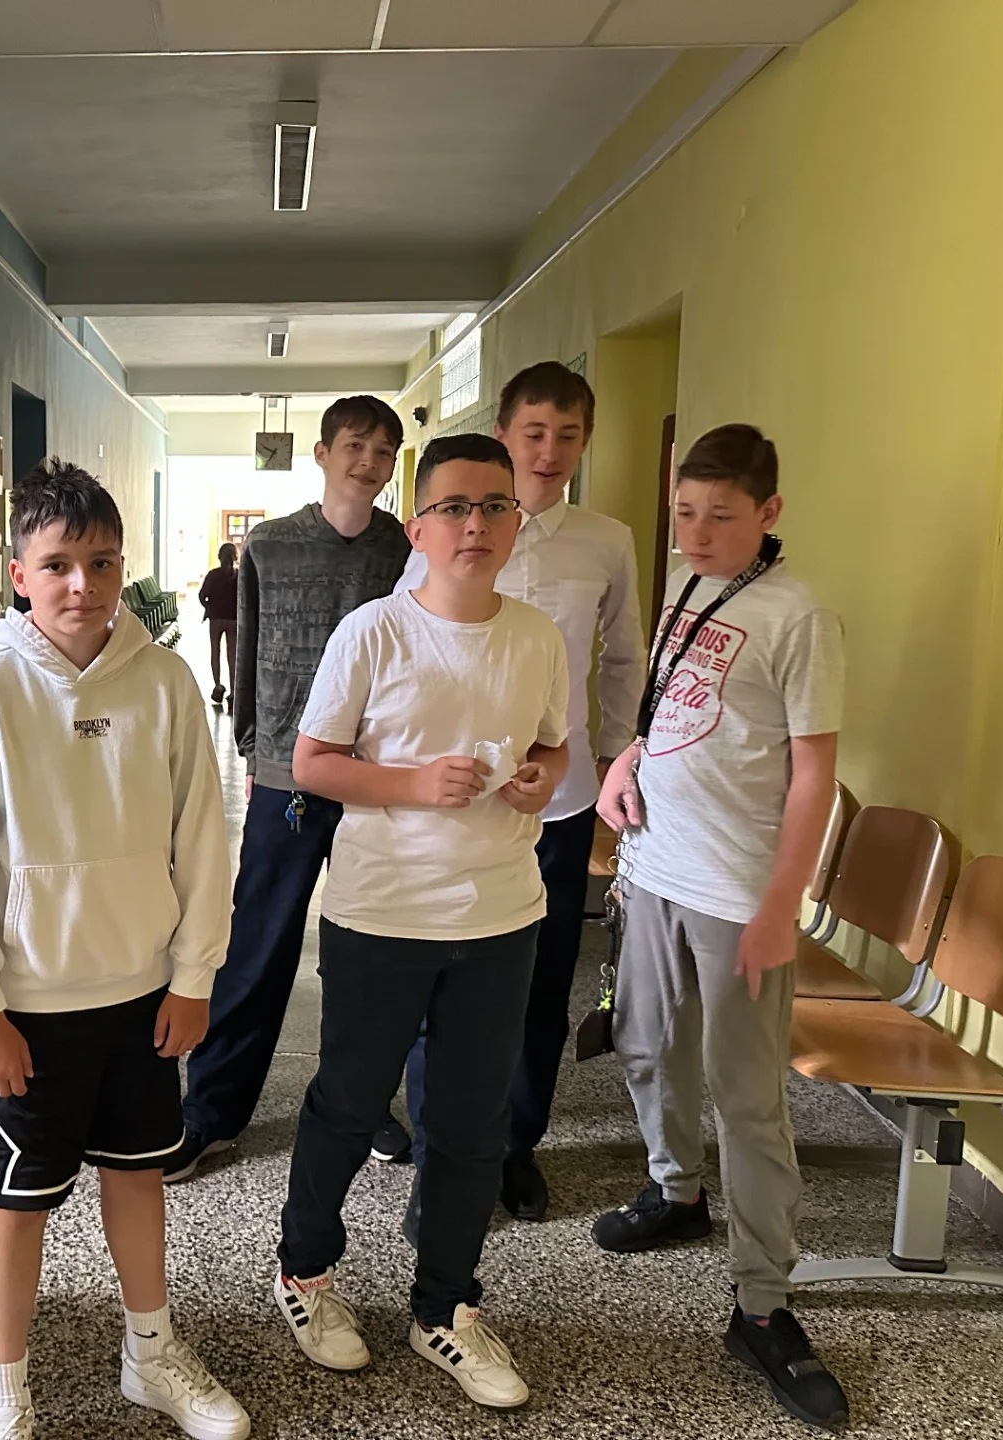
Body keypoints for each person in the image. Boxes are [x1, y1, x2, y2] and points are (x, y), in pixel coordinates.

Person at [0, 460, 248, 1440]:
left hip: (141, 992)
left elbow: (203, 836)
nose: (82, 584)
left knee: (138, 1172)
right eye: (58, 564)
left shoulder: (164, 683)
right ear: (18, 574)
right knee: (18, 1199)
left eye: (102, 562)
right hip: (28, 1006)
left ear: (123, 569)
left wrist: (194, 976)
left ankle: (150, 1354)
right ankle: (5, 1389)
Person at [271, 434, 568, 1410]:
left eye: (494, 506)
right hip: (383, 913)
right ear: (419, 527)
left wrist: (538, 779)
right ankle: (305, 1273)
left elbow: (554, 749)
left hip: (502, 914)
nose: (475, 525)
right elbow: (313, 763)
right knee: (350, 1105)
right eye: (453, 508)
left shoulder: (537, 637)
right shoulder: (374, 632)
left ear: (516, 523)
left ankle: (446, 1305)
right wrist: (412, 783)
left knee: (473, 1124)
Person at [596, 424, 848, 1430]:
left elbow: (815, 774)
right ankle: (676, 1192)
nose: (696, 534)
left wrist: (783, 906)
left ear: (769, 513)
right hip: (654, 865)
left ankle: (763, 1303)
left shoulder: (800, 615)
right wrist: (624, 766)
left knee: (748, 1100)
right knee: (644, 1043)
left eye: (720, 517)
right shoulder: (689, 586)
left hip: (739, 894)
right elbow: (667, 710)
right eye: (685, 514)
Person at [379, 362, 643, 1220]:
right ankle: (438, 1152)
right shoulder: (451, 527)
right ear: (504, 435)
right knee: (441, 981)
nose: (550, 450)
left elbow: (623, 659)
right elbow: (408, 647)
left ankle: (514, 1144)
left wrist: (614, 763)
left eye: (568, 435)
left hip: (557, 802)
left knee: (538, 981)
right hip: (456, 803)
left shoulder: (605, 540)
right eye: (534, 432)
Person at [170, 396, 410, 1182]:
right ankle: (211, 1110)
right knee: (260, 944)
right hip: (287, 772)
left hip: (374, 772)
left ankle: (364, 1103)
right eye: (355, 446)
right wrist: (252, 744)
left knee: (367, 950)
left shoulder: (404, 548)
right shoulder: (270, 545)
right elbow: (248, 644)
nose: (368, 462)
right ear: (323, 453)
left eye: (383, 450)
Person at [196, 542, 238, 708]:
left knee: (215, 651)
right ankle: (233, 692)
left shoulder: (213, 575)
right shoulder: (239, 576)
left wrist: (209, 607)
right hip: (234, 619)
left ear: (219, 557)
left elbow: (202, 595)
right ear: (235, 557)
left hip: (216, 619)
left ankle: (218, 686)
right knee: (232, 655)